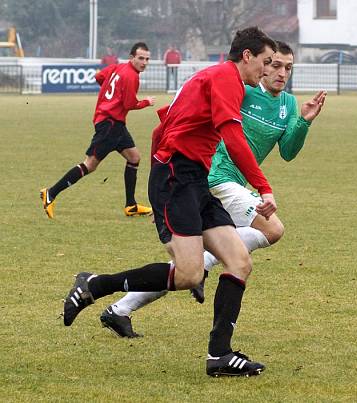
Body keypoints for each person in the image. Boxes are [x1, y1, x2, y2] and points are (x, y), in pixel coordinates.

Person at [61, 27, 278, 378]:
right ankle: (96, 285)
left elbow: (160, 129)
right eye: (266, 62)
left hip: (191, 179)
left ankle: (219, 356)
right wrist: (263, 187)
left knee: (239, 261)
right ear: (247, 56)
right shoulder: (226, 77)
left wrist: (156, 181)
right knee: (190, 275)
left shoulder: (215, 78)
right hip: (177, 177)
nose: (267, 71)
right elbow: (233, 136)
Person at [99, 41, 327, 338]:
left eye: (288, 67)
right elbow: (191, 113)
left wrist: (304, 123)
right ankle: (204, 275)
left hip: (234, 183)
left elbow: (288, 151)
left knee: (187, 268)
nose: (281, 72)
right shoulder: (243, 89)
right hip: (215, 175)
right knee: (272, 229)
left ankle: (120, 309)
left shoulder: (288, 104)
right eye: (274, 64)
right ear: (261, 63)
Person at [41, 43, 156, 219]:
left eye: (147, 59)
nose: (144, 62)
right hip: (109, 125)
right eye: (141, 58)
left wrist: (110, 92)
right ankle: (51, 193)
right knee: (90, 165)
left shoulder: (118, 67)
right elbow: (129, 104)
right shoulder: (132, 76)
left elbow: (98, 76)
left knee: (134, 157)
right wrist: (147, 101)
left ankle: (130, 205)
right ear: (132, 57)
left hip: (114, 124)